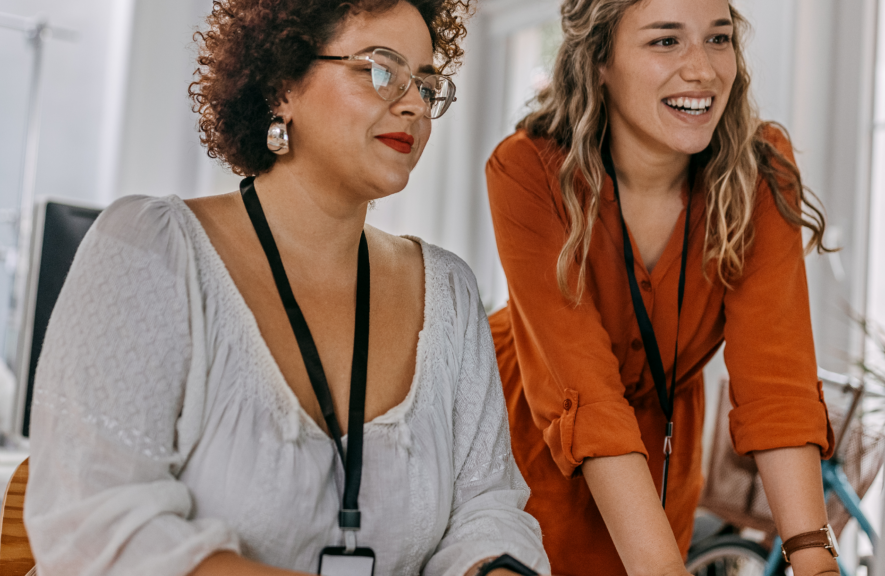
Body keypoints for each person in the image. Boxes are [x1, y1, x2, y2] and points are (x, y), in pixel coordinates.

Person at [23, 1, 550, 575]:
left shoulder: (448, 292)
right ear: (282, 85)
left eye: (426, 83)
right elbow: (98, 529)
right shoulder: (148, 250)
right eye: (382, 69)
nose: (415, 104)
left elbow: (487, 508)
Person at [486, 0, 838, 575]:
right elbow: (585, 392)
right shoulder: (529, 170)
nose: (702, 69)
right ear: (599, 59)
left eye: (718, 38)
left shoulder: (760, 171)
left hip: (663, 458)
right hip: (532, 445)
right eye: (666, 41)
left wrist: (813, 556)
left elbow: (777, 381)